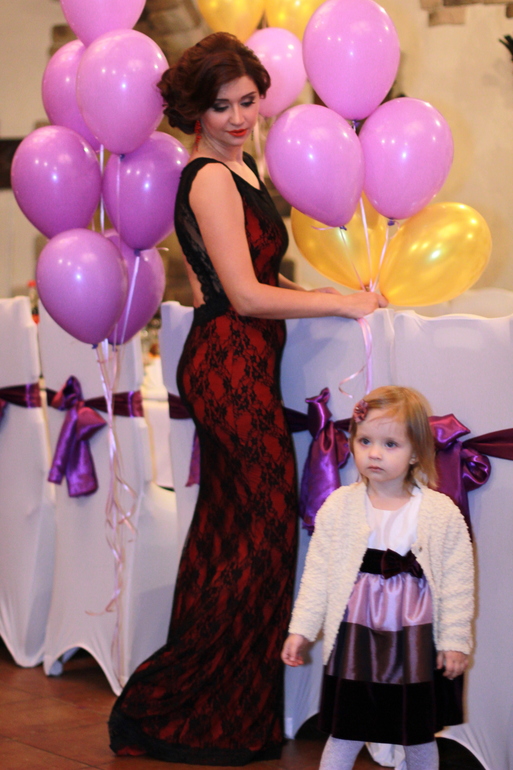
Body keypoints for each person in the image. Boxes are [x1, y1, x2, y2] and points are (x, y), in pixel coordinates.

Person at [108, 31, 387, 766]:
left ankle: (220, 711)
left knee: (233, 533)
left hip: (246, 362)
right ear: (194, 112)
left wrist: (332, 298)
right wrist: (337, 302)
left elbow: (264, 277)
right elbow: (242, 296)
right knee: (260, 535)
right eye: (221, 106)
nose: (238, 118)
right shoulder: (207, 177)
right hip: (226, 364)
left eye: (247, 100)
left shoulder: (241, 165)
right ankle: (167, 702)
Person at [282, 386, 474, 770]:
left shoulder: (440, 512)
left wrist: (454, 641)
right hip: (356, 638)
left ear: (415, 452)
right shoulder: (339, 506)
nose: (374, 453)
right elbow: (317, 574)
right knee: (345, 729)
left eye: (390, 444)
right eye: (365, 441)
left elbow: (458, 582)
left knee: (418, 732)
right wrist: (300, 629)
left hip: (415, 639)